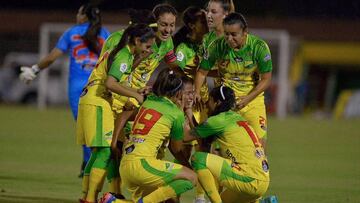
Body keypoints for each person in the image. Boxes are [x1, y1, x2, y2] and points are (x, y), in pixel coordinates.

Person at [19, 3, 110, 176]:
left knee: (84, 127)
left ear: (83, 16)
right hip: (99, 86)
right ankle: (94, 166)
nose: (77, 15)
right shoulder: (104, 33)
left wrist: (34, 70)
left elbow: (53, 57)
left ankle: (89, 166)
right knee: (98, 127)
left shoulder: (72, 33)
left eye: (78, 12)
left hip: (78, 88)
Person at [76, 23, 156, 203]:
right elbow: (111, 84)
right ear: (137, 41)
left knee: (100, 152)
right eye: (148, 46)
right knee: (105, 151)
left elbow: (118, 79)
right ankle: (89, 199)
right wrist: (135, 94)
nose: (150, 50)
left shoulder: (125, 53)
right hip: (98, 100)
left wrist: (137, 86)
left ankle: (86, 196)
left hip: (95, 100)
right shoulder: (123, 55)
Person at [99, 68, 197, 203]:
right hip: (144, 166)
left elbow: (123, 115)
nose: (190, 96)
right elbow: (177, 149)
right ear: (178, 92)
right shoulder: (175, 113)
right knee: (192, 178)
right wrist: (188, 167)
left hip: (127, 167)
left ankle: (114, 201)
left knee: (167, 200)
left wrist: (114, 143)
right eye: (188, 93)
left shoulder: (149, 102)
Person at [195, 13, 273, 149]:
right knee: (221, 148)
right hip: (225, 102)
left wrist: (247, 99)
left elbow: (266, 79)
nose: (229, 39)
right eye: (226, 34)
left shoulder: (259, 47)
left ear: (245, 32)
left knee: (259, 148)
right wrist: (196, 92)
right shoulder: (216, 46)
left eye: (234, 34)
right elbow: (202, 72)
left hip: (253, 101)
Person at [185, 86, 270, 203]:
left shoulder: (218, 121)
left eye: (209, 99)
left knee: (198, 159)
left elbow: (186, 137)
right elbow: (203, 143)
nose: (206, 103)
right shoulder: (236, 118)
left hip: (249, 178)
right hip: (262, 182)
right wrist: (190, 115)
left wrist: (183, 113)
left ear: (217, 102)